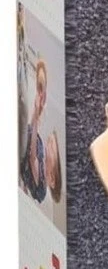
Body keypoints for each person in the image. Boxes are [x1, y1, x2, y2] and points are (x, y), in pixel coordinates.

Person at [19, 60, 62, 205]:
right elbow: (33, 131)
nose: (50, 146)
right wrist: (38, 110)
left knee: (24, 103)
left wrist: (37, 113)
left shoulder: (42, 188)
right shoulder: (43, 154)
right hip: (27, 137)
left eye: (53, 150)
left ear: (52, 178)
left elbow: (32, 158)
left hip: (24, 154)